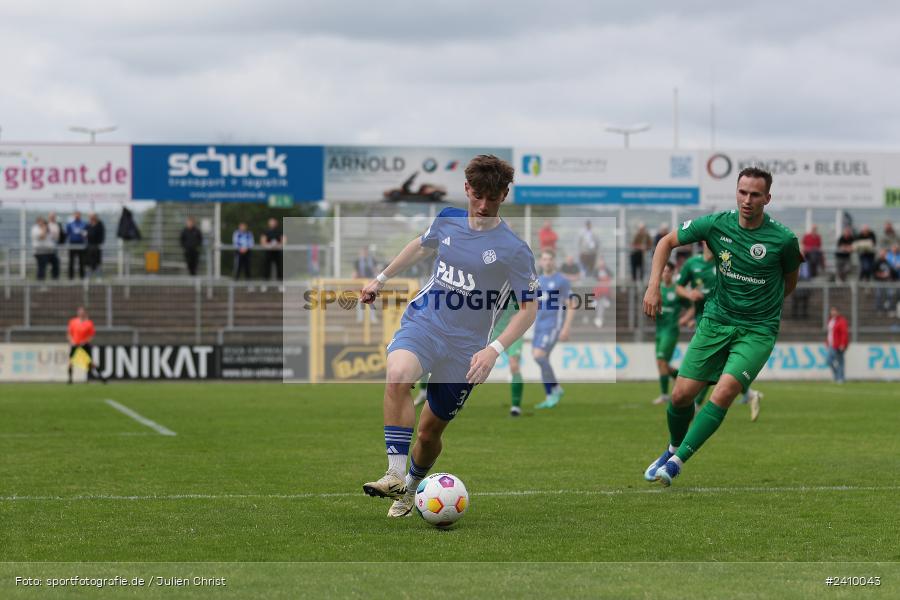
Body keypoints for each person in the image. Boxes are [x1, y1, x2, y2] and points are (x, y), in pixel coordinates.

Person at [359, 155, 538, 517]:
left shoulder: (514, 250)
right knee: (398, 375)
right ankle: (394, 474)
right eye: (478, 196)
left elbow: (529, 308)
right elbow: (421, 245)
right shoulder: (448, 220)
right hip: (425, 322)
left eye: (493, 197)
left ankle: (409, 489)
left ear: (505, 194)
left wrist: (494, 350)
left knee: (428, 435)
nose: (484, 206)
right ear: (467, 189)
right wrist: (381, 279)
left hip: (467, 348)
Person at [642, 167, 802, 487]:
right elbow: (666, 242)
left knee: (726, 390)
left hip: (757, 330)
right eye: (742, 192)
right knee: (680, 396)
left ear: (767, 199)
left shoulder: (784, 240)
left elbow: (789, 283)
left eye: (755, 194)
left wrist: (761, 307)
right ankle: (672, 447)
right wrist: (653, 286)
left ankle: (677, 462)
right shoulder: (717, 224)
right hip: (716, 322)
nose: (747, 200)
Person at [532, 249, 575, 409]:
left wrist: (565, 328)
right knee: (542, 359)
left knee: (538, 356)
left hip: (553, 324)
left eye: (550, 259)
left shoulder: (561, 281)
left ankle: (555, 388)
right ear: (541, 262)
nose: (547, 262)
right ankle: (550, 395)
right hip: (539, 325)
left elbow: (571, 304)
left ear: (554, 261)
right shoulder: (537, 281)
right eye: (544, 259)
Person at [652, 262, 690, 405]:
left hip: (671, 331)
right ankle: (681, 379)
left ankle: (664, 395)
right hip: (660, 330)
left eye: (668, 271)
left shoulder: (677, 290)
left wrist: (686, 319)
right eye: (664, 271)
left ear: (673, 273)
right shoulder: (656, 289)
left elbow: (691, 307)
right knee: (661, 363)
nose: (665, 273)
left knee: (661, 360)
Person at [490, 297, 526, 416]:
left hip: (513, 331)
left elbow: (526, 309)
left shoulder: (518, 285)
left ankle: (516, 406)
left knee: (514, 365)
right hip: (494, 331)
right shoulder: (493, 286)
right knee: (468, 363)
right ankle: (457, 399)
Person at [67, 306, 106, 384]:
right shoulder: (72, 322)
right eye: (79, 311)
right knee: (71, 362)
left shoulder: (89, 323)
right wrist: (72, 341)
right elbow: (69, 334)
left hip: (84, 345)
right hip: (75, 344)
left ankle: (102, 377)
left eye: (82, 312)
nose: (80, 313)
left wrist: (85, 341)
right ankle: (70, 380)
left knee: (90, 363)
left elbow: (91, 335)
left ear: (84, 313)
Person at [826, 306, 848, 383]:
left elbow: (844, 333)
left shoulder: (841, 321)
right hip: (831, 344)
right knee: (829, 361)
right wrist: (827, 343)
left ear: (838, 312)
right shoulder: (830, 321)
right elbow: (829, 333)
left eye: (834, 311)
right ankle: (838, 376)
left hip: (838, 345)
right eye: (832, 311)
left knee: (840, 361)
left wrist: (842, 343)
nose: (833, 312)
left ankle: (840, 378)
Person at [261, 218, 285, 288]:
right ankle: (265, 285)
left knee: (279, 268)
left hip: (277, 252)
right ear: (269, 223)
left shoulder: (279, 231)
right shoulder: (265, 231)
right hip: (268, 252)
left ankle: (280, 285)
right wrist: (270, 246)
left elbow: (283, 241)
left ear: (276, 223)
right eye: (271, 222)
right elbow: (263, 242)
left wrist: (277, 246)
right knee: (266, 268)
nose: (272, 224)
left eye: (273, 222)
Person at [873, 248, 897, 314]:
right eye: (882, 253)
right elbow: (875, 273)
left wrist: (889, 274)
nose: (883, 255)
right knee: (879, 295)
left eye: (884, 254)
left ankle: (890, 309)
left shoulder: (888, 262)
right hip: (879, 281)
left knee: (890, 294)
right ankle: (879, 309)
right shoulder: (877, 262)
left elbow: (892, 272)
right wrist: (882, 275)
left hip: (887, 281)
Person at [31, 217, 55, 283]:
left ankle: (54, 280)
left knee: (54, 263)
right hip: (39, 252)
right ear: (38, 222)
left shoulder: (46, 229)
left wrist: (47, 229)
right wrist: (44, 229)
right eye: (41, 222)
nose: (43, 224)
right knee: (41, 267)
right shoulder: (35, 229)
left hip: (47, 252)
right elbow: (42, 237)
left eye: (44, 222)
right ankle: (40, 282)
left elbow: (52, 237)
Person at [66, 211, 88, 279]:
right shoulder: (70, 224)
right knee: (71, 261)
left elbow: (86, 233)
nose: (77, 216)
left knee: (82, 261)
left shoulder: (84, 224)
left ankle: (82, 277)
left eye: (78, 215)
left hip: (81, 243)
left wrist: (83, 233)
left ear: (80, 216)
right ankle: (71, 278)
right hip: (72, 243)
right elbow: (67, 233)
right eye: (76, 215)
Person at [85, 213, 105, 278]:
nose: (91, 218)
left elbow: (101, 235)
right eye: (90, 217)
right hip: (89, 247)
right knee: (89, 263)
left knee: (98, 262)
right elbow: (85, 233)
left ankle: (98, 277)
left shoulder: (100, 224)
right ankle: (88, 278)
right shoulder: (88, 225)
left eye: (93, 217)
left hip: (97, 246)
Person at [46, 212, 62, 280]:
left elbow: (60, 234)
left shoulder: (58, 225)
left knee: (56, 262)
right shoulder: (46, 225)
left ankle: (55, 278)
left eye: (53, 216)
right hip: (46, 246)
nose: (52, 218)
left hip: (55, 245)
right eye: (51, 216)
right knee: (45, 263)